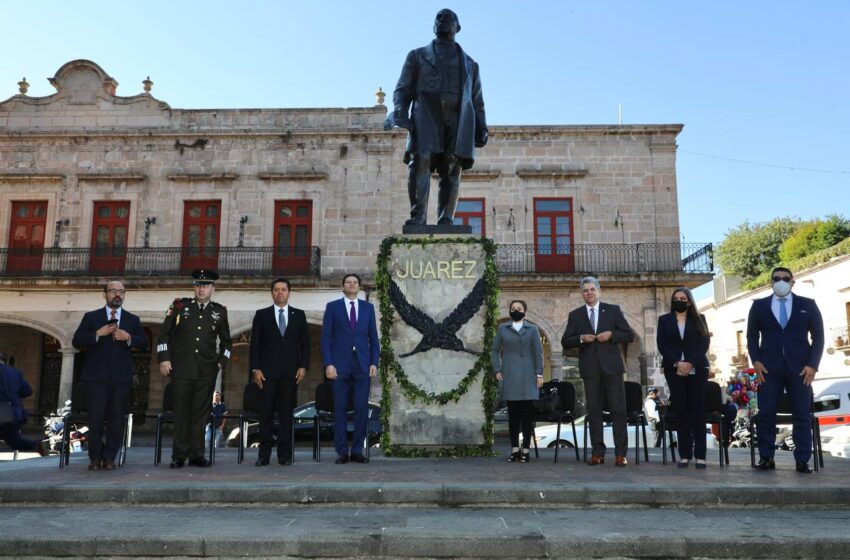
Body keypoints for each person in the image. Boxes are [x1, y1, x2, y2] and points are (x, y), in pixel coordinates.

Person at [385, 8, 488, 226]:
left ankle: (446, 218)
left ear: (457, 27)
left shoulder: (470, 64)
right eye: (438, 18)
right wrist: (400, 109)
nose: (442, 20)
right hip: (426, 114)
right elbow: (402, 89)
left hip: (458, 118)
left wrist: (482, 127)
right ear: (434, 26)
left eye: (447, 17)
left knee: (452, 166)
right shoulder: (417, 55)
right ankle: (418, 216)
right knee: (421, 159)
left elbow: (477, 100)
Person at [747, 267, 824, 474]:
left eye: (785, 278)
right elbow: (752, 336)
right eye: (776, 278)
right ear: (771, 282)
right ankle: (766, 458)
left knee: (802, 414)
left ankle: (802, 460)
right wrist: (756, 361)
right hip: (768, 369)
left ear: (792, 282)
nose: (781, 281)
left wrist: (813, 365)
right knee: (766, 414)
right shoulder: (759, 306)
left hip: (801, 370)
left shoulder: (808, 305)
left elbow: (818, 337)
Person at [157, 269, 232, 469]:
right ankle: (179, 455)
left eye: (206, 285)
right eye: (198, 285)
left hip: (206, 371)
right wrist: (164, 359)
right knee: (182, 413)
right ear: (194, 287)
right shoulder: (180, 306)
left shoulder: (219, 311)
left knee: (201, 414)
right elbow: (164, 335)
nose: (201, 289)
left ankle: (197, 454)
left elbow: (227, 343)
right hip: (181, 369)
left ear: (212, 288)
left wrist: (220, 363)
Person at [72, 281, 148, 470]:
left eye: (121, 292)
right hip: (95, 378)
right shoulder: (91, 317)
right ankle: (95, 458)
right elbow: (76, 340)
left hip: (121, 379)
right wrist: (97, 333)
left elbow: (144, 342)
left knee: (116, 419)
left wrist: (128, 338)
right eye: (113, 291)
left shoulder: (132, 319)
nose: (117, 295)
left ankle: (109, 458)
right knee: (95, 419)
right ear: (104, 294)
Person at [561, 276, 634, 466]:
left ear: (599, 291)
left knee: (618, 410)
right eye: (585, 290)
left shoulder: (613, 311)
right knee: (594, 412)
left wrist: (611, 335)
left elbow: (629, 334)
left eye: (592, 289)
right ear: (582, 294)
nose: (589, 293)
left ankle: (620, 454)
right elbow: (565, 341)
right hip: (590, 369)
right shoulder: (575, 315)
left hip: (612, 368)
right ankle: (597, 453)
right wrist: (580, 339)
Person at [250, 278, 311, 466]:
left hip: (290, 374)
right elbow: (255, 345)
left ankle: (285, 456)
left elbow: (305, 344)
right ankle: (264, 455)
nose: (280, 292)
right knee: (265, 415)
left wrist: (303, 366)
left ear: (288, 292)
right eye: (276, 290)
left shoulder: (299, 315)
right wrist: (255, 368)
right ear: (272, 293)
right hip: (267, 373)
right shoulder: (262, 315)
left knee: (286, 416)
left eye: (283, 289)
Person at [321, 273, 379, 464]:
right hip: (339, 365)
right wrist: (328, 363)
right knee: (339, 408)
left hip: (362, 364)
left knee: (362, 408)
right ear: (343, 286)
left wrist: (374, 362)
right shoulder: (333, 307)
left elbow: (373, 338)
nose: (351, 285)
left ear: (359, 286)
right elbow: (326, 337)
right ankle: (341, 452)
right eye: (348, 282)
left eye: (354, 282)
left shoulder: (368, 308)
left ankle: (357, 450)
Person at [656, 287, 711, 468]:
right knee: (681, 411)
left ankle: (701, 455)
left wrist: (689, 363)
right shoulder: (664, 320)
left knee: (697, 410)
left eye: (683, 298)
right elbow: (662, 345)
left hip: (697, 368)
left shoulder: (699, 319)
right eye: (676, 298)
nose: (679, 300)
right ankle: (685, 455)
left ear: (689, 301)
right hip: (674, 369)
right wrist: (678, 363)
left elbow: (704, 343)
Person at [491, 300, 544, 463]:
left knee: (527, 416)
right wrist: (497, 369)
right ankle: (514, 450)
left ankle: (526, 450)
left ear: (525, 311)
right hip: (510, 375)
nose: (516, 311)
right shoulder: (502, 329)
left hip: (529, 376)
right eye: (513, 309)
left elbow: (538, 353)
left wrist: (539, 374)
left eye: (519, 309)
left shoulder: (533, 330)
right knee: (513, 416)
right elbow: (494, 349)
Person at [0, 352, 44, 455]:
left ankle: (36, 445)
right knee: (14, 441)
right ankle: (36, 445)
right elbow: (27, 391)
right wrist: (13, 396)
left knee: (14, 440)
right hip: (12, 414)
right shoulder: (15, 373)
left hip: (6, 414)